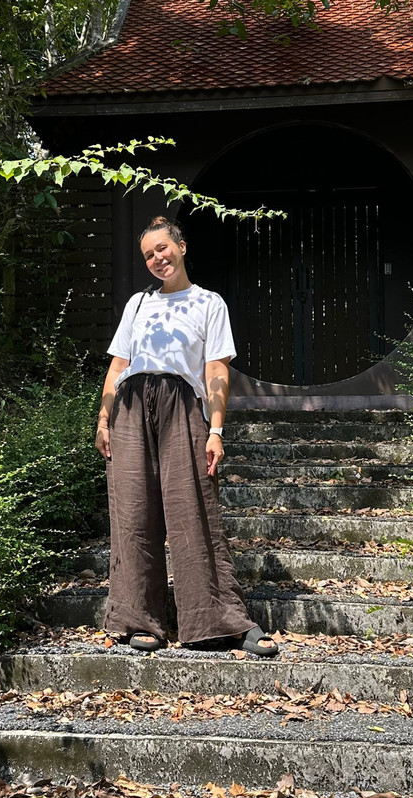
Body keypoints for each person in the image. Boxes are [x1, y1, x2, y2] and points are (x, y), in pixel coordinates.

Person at [93, 216, 278, 657]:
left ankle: (215, 619)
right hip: (131, 406)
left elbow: (215, 370)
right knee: (134, 512)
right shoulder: (138, 305)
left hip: (183, 405)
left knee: (192, 507)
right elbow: (118, 367)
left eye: (163, 248)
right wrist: (103, 420)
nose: (157, 259)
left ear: (181, 246)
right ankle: (141, 620)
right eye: (148, 255)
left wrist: (216, 430)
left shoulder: (208, 303)